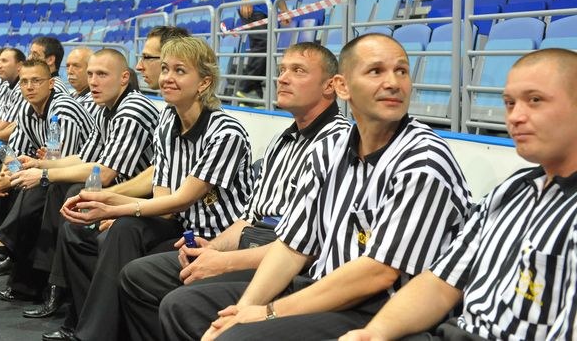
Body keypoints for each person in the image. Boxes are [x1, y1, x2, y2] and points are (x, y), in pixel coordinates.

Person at [159, 33, 472, 341]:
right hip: (321, 288)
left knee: (240, 336)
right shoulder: (330, 150)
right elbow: (293, 247)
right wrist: (243, 309)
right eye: (376, 71)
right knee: (182, 307)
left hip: (381, 313)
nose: (393, 82)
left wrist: (267, 313)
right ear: (342, 86)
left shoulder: (423, 160)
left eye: (401, 71)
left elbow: (379, 273)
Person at [118, 43, 351, 341]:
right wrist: (212, 250)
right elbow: (248, 218)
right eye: (281, 70)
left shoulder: (337, 143)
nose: (282, 78)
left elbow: (304, 249)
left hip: (287, 262)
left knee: (181, 301)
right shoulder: (284, 139)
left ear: (331, 86)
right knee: (138, 276)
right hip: (252, 243)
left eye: (298, 71)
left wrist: (223, 262)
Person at [340, 48, 577, 341]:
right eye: (509, 103)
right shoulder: (510, 191)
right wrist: (374, 334)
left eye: (535, 101)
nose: (515, 116)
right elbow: (439, 284)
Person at [46, 36, 254, 341]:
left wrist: (113, 206)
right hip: (182, 229)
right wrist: (103, 200)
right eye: (166, 69)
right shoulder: (168, 122)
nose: (168, 78)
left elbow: (181, 200)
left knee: (121, 228)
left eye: (180, 71)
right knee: (116, 228)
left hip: (219, 238)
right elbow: (163, 198)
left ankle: (92, 332)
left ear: (204, 83)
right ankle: (93, 330)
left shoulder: (225, 131)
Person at [0, 49, 160, 307]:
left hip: (132, 191)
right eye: (91, 73)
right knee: (28, 180)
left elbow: (101, 169)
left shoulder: (72, 109)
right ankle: (36, 279)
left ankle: (42, 279)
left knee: (53, 187)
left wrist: (43, 172)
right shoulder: (103, 108)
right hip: (109, 183)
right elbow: (82, 157)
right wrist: (32, 166)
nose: (93, 81)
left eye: (101, 74)